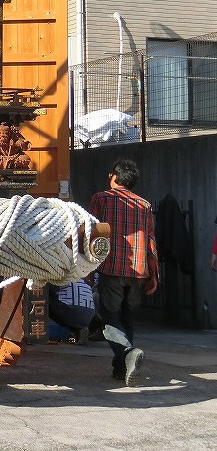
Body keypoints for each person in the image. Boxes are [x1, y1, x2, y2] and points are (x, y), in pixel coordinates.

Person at [88, 158, 159, 386]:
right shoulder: (145, 205)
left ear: (114, 176)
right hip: (139, 271)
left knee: (109, 319)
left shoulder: (101, 199)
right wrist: (154, 275)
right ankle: (121, 369)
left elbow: (91, 233)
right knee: (127, 317)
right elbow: (150, 241)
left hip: (112, 268)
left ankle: (128, 353)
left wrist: (87, 268)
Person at [48, 278, 96, 344]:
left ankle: (75, 329)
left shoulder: (59, 277)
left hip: (72, 310)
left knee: (44, 298)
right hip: (89, 313)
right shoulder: (82, 279)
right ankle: (79, 328)